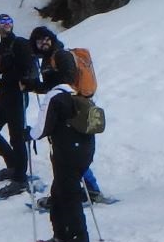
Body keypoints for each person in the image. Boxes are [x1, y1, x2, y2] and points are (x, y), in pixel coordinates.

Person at [28, 26, 111, 207]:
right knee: (67, 153)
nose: (44, 43)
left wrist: (51, 91)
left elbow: (65, 83)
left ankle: (75, 192)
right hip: (68, 108)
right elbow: (53, 86)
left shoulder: (60, 56)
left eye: (46, 39)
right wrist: (33, 86)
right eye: (39, 41)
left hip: (72, 111)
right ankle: (83, 190)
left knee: (67, 154)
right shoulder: (50, 59)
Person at [33, 83, 96, 242]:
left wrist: (28, 133)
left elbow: (41, 129)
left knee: (69, 198)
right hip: (83, 152)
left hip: (67, 154)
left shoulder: (55, 97)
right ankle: (62, 237)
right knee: (59, 192)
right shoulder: (78, 94)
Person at [0, 14, 37, 199]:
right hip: (5, 95)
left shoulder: (20, 43)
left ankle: (20, 178)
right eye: (3, 23)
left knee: (17, 137)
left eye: (9, 22)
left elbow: (23, 69)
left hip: (18, 95)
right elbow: (4, 71)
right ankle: (14, 165)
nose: (7, 25)